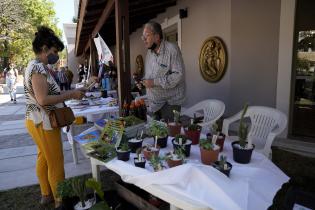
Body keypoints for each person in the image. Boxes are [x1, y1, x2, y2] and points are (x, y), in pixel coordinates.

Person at [24, 26, 86, 209]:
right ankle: (61, 201)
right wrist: (71, 95)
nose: (56, 55)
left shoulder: (36, 66)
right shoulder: (37, 69)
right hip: (43, 122)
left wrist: (71, 92)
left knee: (44, 157)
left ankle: (46, 194)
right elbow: (43, 99)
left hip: (37, 120)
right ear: (44, 49)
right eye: (54, 51)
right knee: (56, 161)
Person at [140, 21, 185, 121]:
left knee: (169, 134)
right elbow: (150, 74)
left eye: (146, 36)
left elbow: (178, 75)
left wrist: (154, 82)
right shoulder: (149, 53)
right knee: (157, 132)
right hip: (155, 103)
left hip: (170, 103)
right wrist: (144, 81)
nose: (144, 40)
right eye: (143, 37)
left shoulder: (172, 49)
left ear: (157, 37)